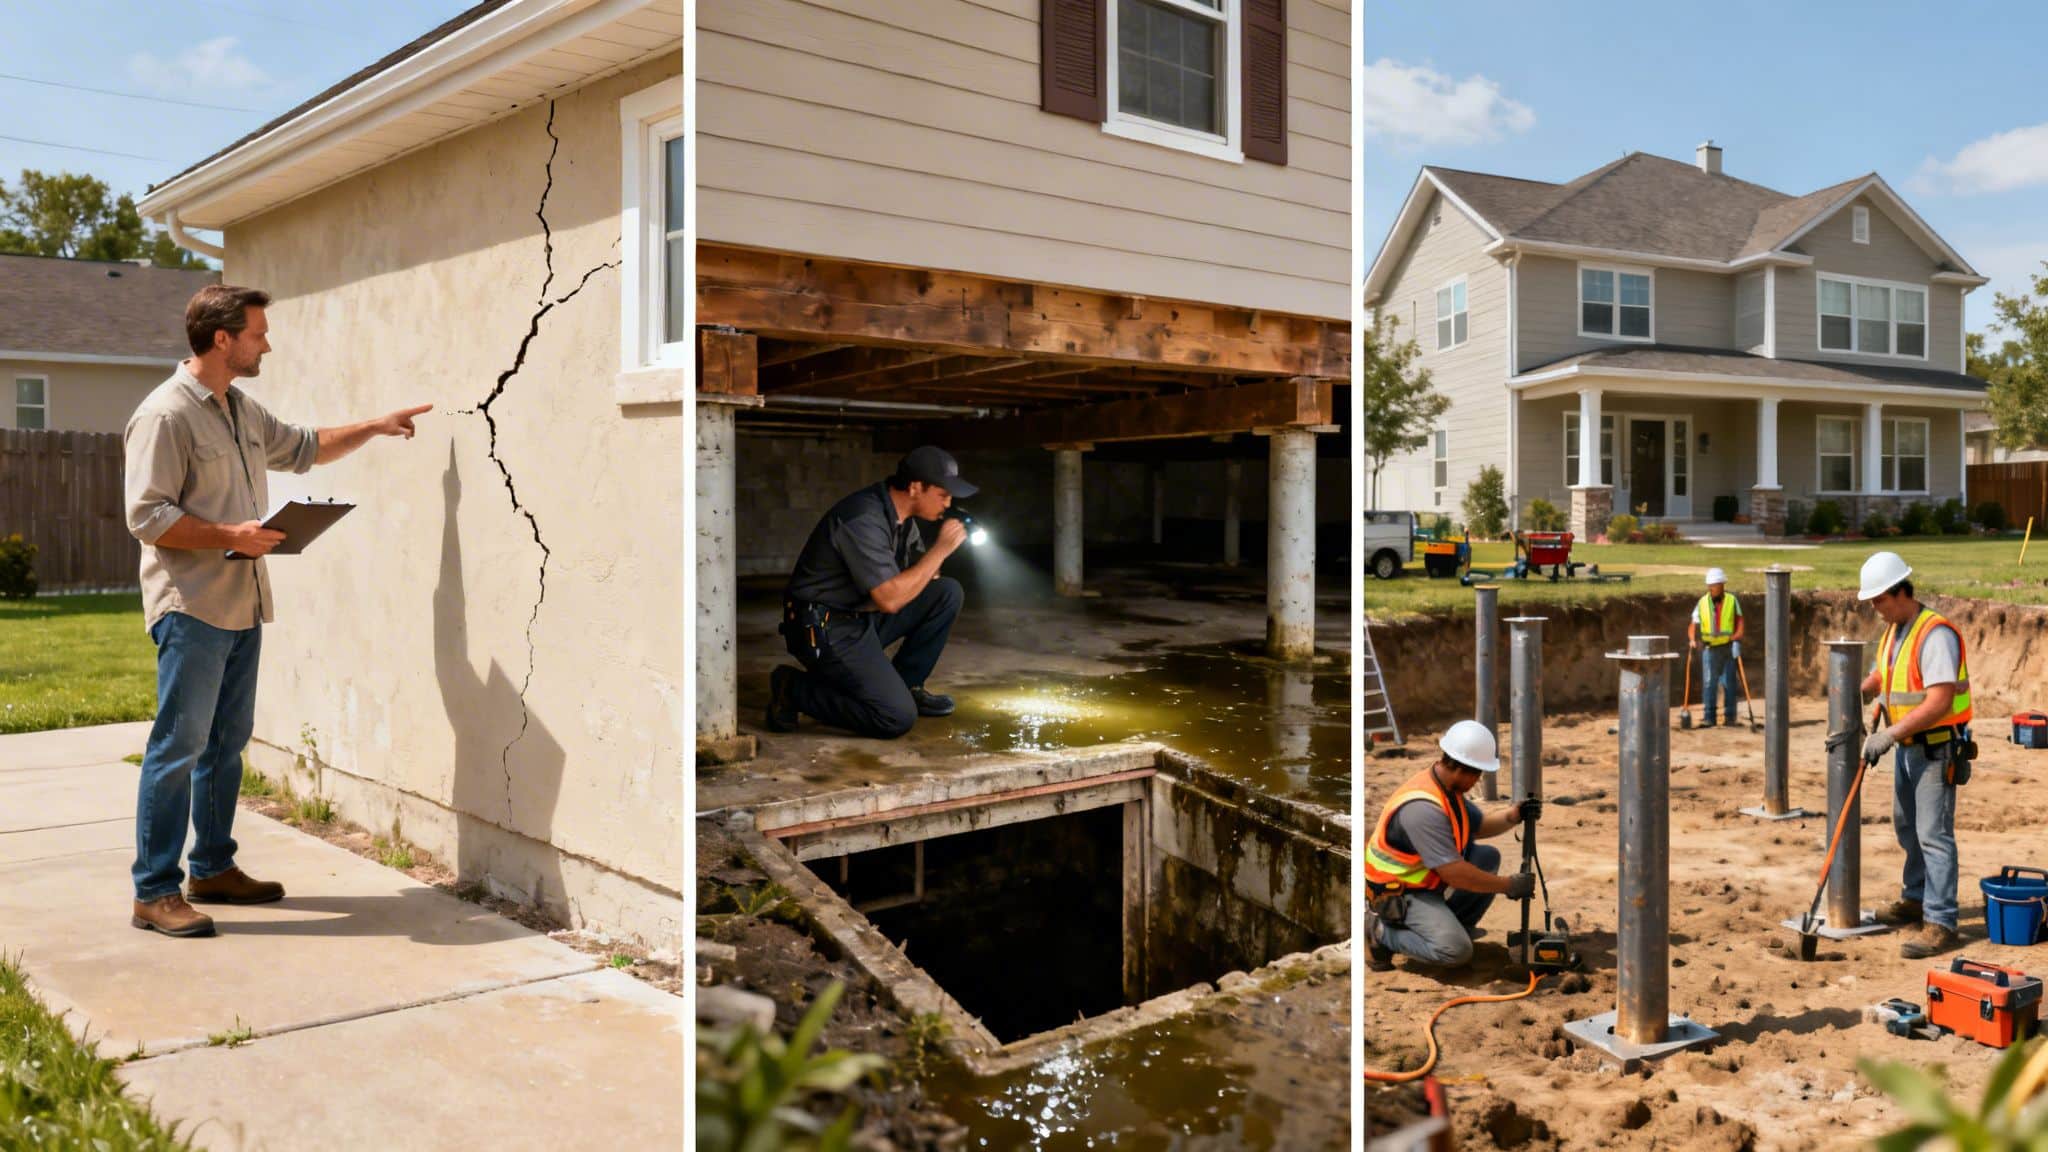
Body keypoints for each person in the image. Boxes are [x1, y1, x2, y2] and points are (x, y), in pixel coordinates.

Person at [123, 285, 431, 939]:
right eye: (258, 333)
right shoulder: (165, 415)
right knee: (177, 748)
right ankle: (154, 891)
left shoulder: (238, 408)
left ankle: (211, 868)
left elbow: (306, 446)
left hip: (241, 603)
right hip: (191, 607)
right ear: (222, 339)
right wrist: (231, 534)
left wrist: (373, 426)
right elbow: (147, 517)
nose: (268, 343)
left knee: (225, 746)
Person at [765, 446, 974, 739]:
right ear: (916, 487)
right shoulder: (863, 519)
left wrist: (932, 562)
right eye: (942, 494)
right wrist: (940, 550)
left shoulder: (903, 520)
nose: (948, 502)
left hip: (861, 618)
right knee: (894, 717)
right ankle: (795, 689)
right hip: (825, 629)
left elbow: (924, 576)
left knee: (946, 592)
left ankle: (907, 685)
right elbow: (890, 599)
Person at [1857, 551, 1973, 960]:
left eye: (1878, 600)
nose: (1874, 608)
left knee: (1933, 835)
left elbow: (1939, 700)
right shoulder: (1895, 629)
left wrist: (1888, 733)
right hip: (1907, 748)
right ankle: (1915, 898)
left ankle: (1941, 922)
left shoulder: (1934, 633)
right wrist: (1867, 687)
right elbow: (1887, 675)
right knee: (1907, 828)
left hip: (1936, 748)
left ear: (1898, 592)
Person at [1365, 720, 1538, 970]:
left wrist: (1515, 815)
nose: (1478, 779)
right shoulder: (1424, 809)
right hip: (1397, 892)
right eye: (1478, 773)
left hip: (1423, 883)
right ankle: (1379, 933)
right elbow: (1455, 874)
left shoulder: (1446, 789)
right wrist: (1509, 886)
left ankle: (1455, 926)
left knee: (1487, 857)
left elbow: (1477, 828)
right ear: (1463, 770)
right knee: (1455, 951)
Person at [1687, 567, 1744, 727]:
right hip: (1710, 649)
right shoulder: (1702, 603)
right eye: (1710, 585)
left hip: (1728, 648)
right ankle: (1709, 717)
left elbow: (1739, 621)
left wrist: (1737, 637)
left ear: (1722, 585)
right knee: (1709, 683)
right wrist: (1692, 638)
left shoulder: (1732, 601)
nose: (1711, 588)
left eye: (1715, 585)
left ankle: (1730, 717)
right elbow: (1693, 624)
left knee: (1729, 683)